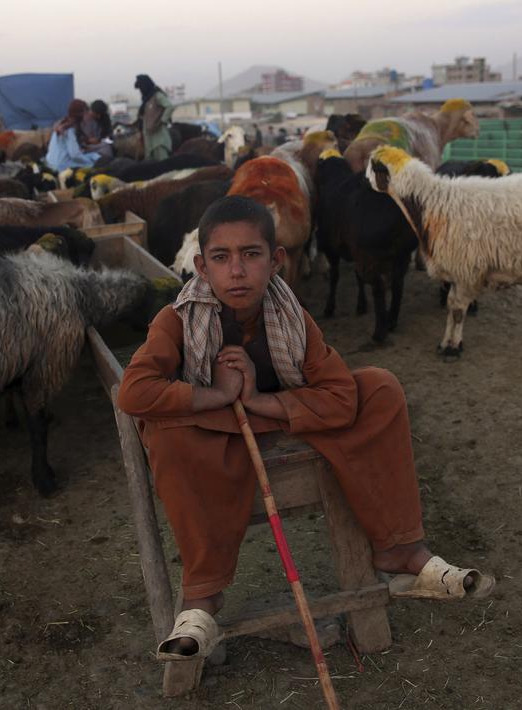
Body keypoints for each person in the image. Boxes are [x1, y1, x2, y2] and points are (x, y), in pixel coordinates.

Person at [117, 196, 495, 659]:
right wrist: (216, 395)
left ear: (277, 260)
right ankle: (203, 598)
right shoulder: (177, 319)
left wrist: (257, 399)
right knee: (165, 432)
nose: (236, 271)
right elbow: (134, 393)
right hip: (216, 433)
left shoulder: (292, 316)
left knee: (378, 389)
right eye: (221, 257)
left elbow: (339, 397)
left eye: (251, 255)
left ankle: (403, 555)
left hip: (284, 419)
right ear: (201, 265)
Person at [44, 99, 102, 173]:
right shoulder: (70, 129)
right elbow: (75, 155)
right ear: (80, 114)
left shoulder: (63, 123)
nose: (88, 115)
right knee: (93, 164)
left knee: (93, 156)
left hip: (50, 162)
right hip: (59, 165)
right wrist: (89, 160)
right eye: (86, 112)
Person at [134, 74, 174, 160]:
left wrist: (162, 121)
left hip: (159, 139)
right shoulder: (146, 100)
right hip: (148, 140)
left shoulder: (157, 96)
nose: (140, 91)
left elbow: (170, 106)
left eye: (141, 88)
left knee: (163, 165)